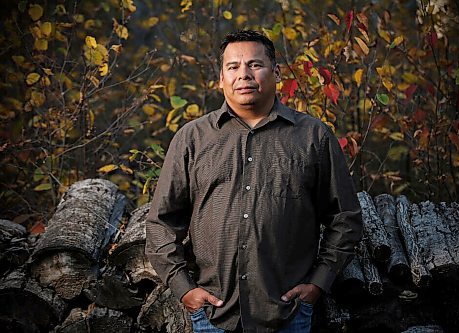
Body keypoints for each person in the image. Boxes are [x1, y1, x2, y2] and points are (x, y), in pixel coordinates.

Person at [146, 30, 362, 333]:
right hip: (213, 315)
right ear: (221, 78)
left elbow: (346, 217)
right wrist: (183, 288)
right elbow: (161, 222)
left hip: (288, 313)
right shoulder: (192, 139)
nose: (243, 75)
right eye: (233, 67)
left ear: (276, 73)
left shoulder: (313, 136)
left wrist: (318, 282)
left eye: (255, 65)